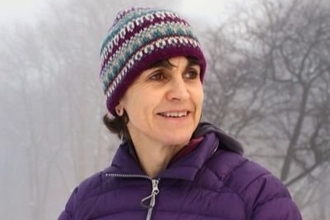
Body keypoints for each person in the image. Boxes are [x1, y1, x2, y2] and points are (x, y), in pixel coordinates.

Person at [58, 7, 302, 220]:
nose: (182, 93)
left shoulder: (256, 195)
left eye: (190, 74)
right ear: (119, 100)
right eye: (158, 76)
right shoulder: (85, 206)